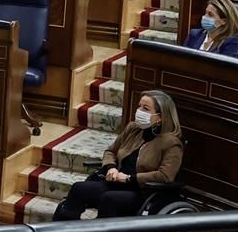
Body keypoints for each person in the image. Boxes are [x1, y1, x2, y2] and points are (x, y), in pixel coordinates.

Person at [54, 90, 182, 219]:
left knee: (109, 198)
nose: (139, 111)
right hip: (116, 183)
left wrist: (129, 178)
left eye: (146, 109)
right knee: (79, 189)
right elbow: (110, 152)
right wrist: (111, 168)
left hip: (142, 192)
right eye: (139, 106)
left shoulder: (171, 143)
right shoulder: (133, 129)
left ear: (160, 118)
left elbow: (165, 176)